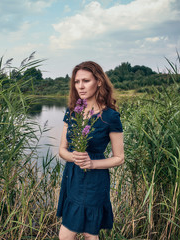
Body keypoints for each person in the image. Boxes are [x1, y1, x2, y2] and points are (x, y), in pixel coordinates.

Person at [57, 61, 124, 240]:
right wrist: (74, 156)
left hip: (95, 180)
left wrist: (92, 163)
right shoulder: (72, 112)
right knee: (79, 234)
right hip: (72, 177)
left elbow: (119, 158)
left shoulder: (110, 116)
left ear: (99, 81)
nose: (80, 86)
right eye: (77, 82)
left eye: (86, 81)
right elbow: (62, 150)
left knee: (84, 234)